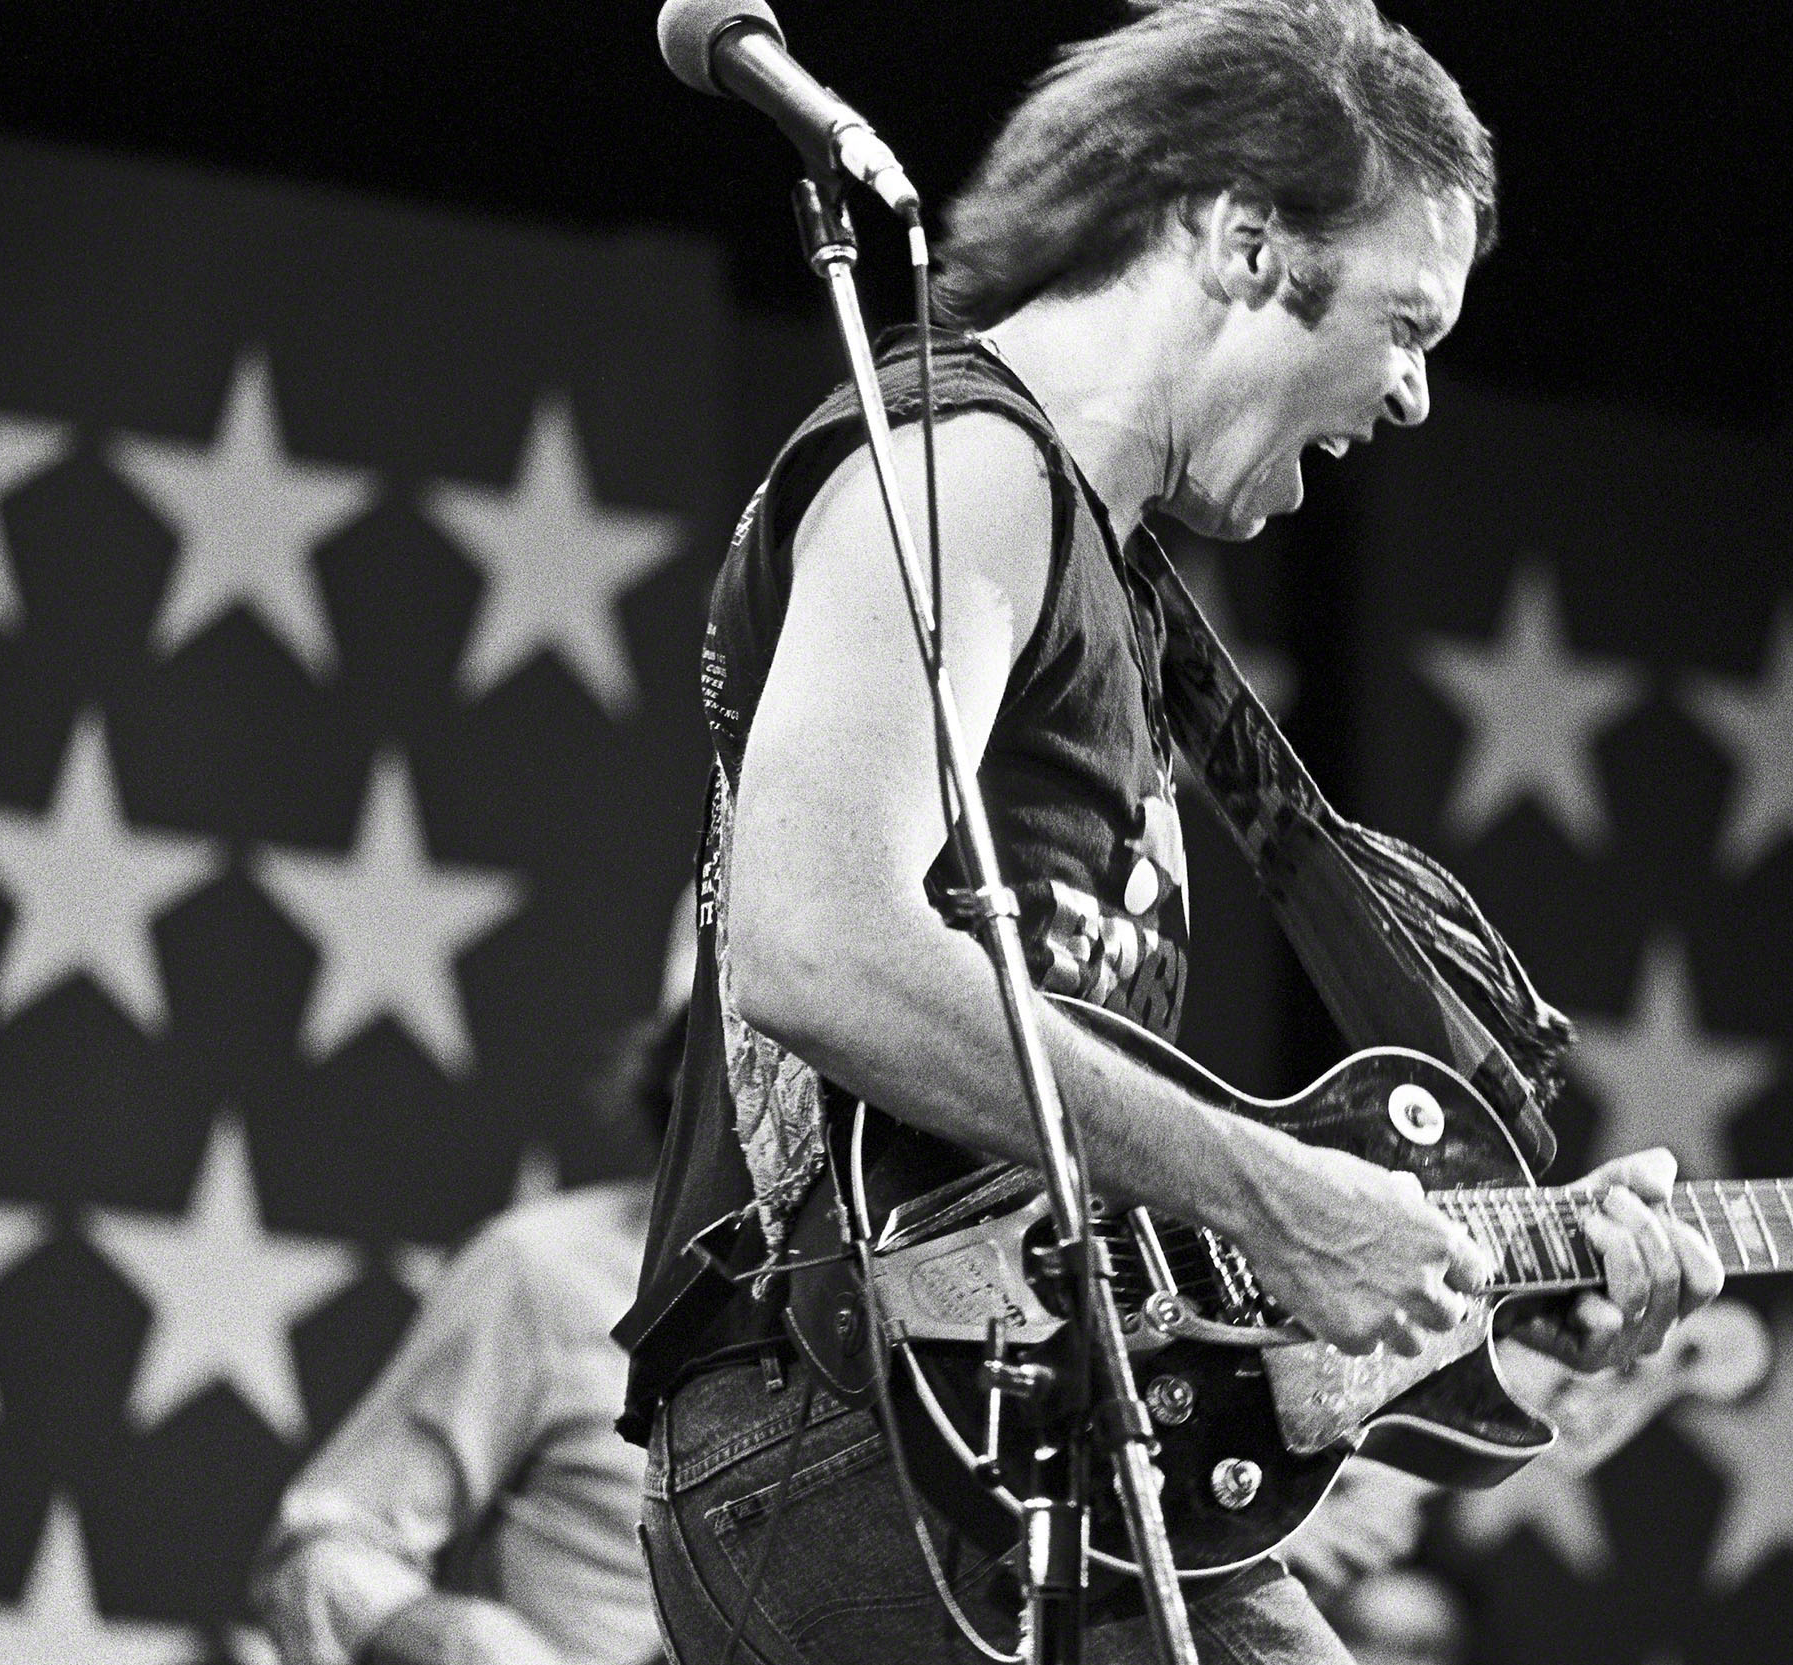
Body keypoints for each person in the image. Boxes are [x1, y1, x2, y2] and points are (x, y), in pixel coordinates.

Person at [621, 4, 1727, 1662]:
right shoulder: (967, 468)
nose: (1418, 395)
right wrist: (1280, 1195)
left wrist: (1494, 1271)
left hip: (1010, 1421)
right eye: (1405, 320)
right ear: (1242, 239)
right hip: (866, 1421)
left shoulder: (1112, 584)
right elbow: (815, 943)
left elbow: (1079, 1207)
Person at [253, 953, 691, 1665]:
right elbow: (325, 1549)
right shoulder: (541, 1270)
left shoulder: (921, 1308)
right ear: (687, 1067)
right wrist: (462, 1643)